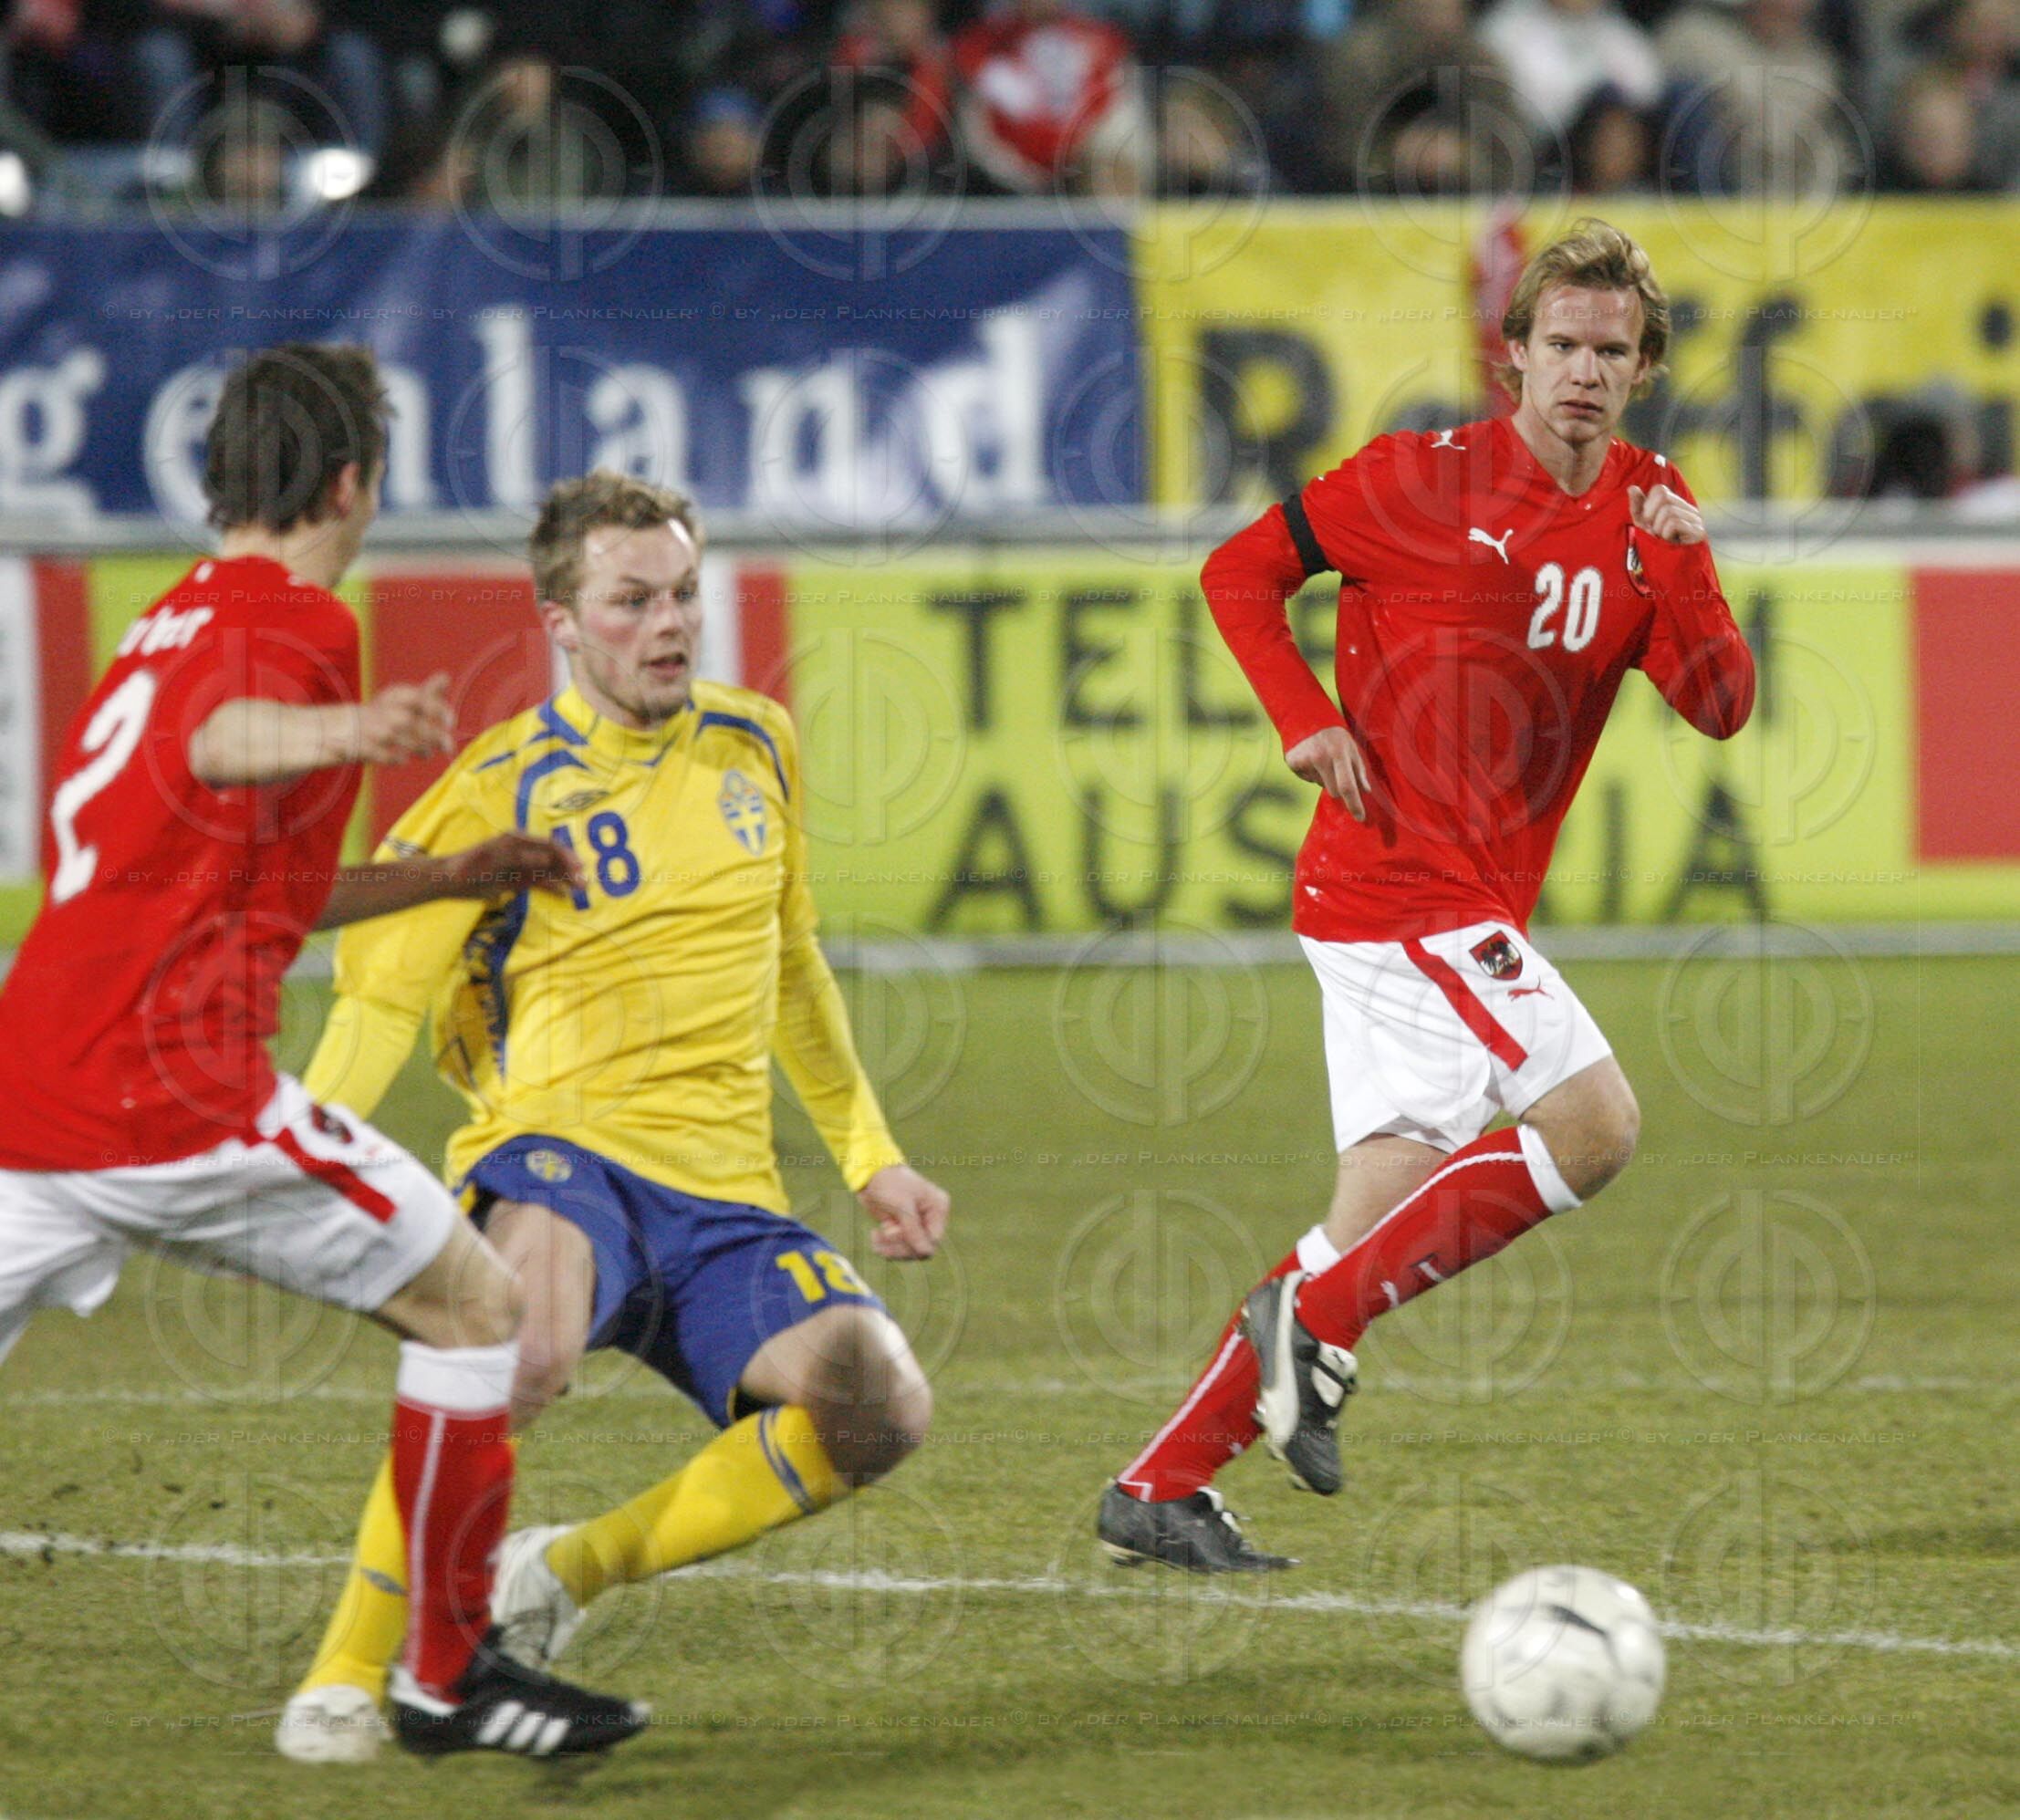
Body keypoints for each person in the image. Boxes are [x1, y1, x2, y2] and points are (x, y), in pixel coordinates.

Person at [0, 344, 648, 1757]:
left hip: (33, 1093)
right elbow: (224, 743)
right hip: (173, 1101)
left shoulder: (164, 617)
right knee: (481, 1313)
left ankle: (437, 1667)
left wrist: (457, 869)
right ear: (353, 480)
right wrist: (350, 726)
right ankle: (442, 1673)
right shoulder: (295, 624)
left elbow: (266, 888)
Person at [1097, 221, 1756, 1572]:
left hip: (1462, 904)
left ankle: (1161, 1483)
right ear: (1510, 353)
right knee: (1593, 1125)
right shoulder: (1413, 478)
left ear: (1641, 371)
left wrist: (1684, 559)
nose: (1581, 371)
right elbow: (1240, 571)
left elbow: (1718, 704)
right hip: (1401, 884)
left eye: (1609, 352)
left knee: (1369, 1224)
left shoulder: (1644, 510)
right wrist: (1298, 714)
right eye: (1559, 345)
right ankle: (1315, 1325)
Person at [279, 471, 950, 1758]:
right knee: (515, 1353)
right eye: (632, 599)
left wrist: (871, 1156)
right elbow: (379, 998)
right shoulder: (500, 788)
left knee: (877, 1406)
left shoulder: (756, 742)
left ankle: (557, 1577)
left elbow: (793, 959)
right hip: (559, 1150)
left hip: (723, 1196)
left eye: (685, 594)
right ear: (562, 624)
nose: (669, 624)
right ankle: (348, 1675)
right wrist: (294, 1149)